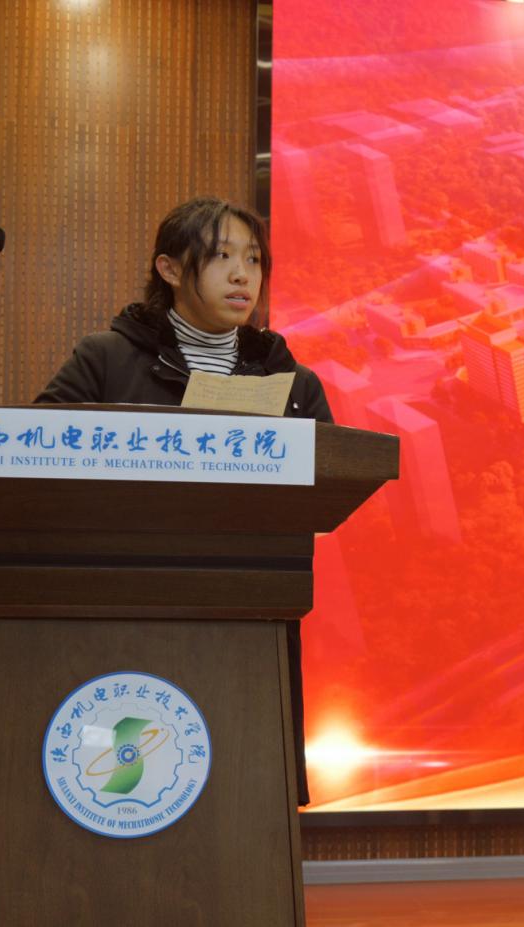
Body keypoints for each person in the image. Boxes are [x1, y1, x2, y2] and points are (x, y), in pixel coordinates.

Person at [37, 195, 332, 805]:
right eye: (222, 256)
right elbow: (39, 455)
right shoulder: (105, 360)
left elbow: (328, 485)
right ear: (169, 269)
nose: (243, 275)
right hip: (120, 605)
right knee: (122, 790)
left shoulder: (291, 382)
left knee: (243, 794)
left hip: (251, 607)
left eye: (253, 259)